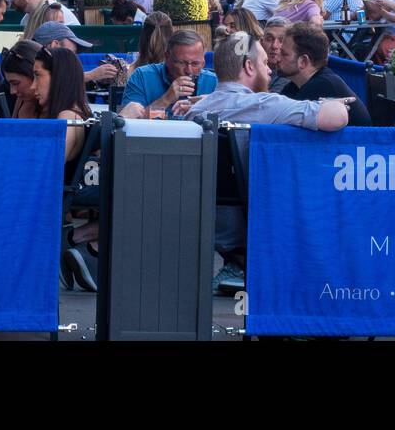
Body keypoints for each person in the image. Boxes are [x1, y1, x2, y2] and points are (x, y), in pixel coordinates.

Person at [187, 31, 350, 293]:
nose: (270, 70)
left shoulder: (194, 111)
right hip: (260, 222)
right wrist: (332, 103)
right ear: (249, 66)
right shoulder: (265, 105)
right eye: (264, 63)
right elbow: (337, 118)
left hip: (204, 218)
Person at [278, 23, 371, 126]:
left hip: (357, 141)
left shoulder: (321, 86)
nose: (278, 58)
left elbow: (279, 121)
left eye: (284, 54)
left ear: (303, 61)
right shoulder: (297, 85)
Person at [120, 30, 217, 118]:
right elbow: (129, 124)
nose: (189, 70)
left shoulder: (213, 82)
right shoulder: (143, 77)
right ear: (167, 58)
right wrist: (166, 99)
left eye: (195, 64)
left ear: (203, 63)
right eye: (181, 63)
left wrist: (207, 108)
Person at [32, 46, 91, 162]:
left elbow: (45, 164)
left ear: (58, 77)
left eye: (37, 75)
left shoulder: (68, 117)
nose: (32, 86)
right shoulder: (69, 114)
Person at [1, 39, 43, 118]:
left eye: (16, 83)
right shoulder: (23, 100)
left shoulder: (64, 112)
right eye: (9, 84)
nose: (12, 91)